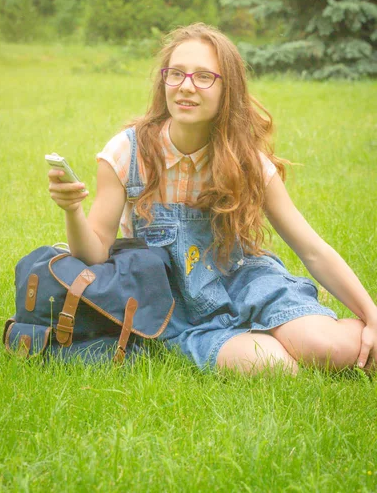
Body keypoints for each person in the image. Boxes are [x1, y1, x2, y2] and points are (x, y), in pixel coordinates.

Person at [48, 23, 377, 375]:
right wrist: (72, 211)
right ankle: (281, 334)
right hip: (176, 310)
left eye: (204, 76)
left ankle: (309, 324)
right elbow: (95, 252)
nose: (186, 87)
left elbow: (311, 249)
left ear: (227, 88)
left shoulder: (244, 160)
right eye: (176, 74)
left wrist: (372, 314)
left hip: (246, 282)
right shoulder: (128, 153)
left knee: (331, 349)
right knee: (277, 367)